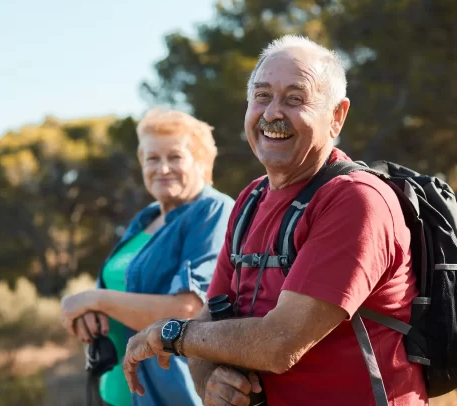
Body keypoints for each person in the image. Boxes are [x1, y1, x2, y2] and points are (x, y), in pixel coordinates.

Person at [122, 35, 428, 406]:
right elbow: (209, 319)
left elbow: (280, 343)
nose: (271, 114)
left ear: (336, 116)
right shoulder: (250, 199)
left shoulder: (356, 201)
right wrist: (210, 381)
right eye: (262, 96)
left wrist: (168, 335)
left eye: (295, 98)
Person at [60, 108, 234, 406]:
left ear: (201, 162)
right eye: (153, 158)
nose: (162, 168)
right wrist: (90, 315)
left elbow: (188, 310)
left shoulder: (212, 211)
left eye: (175, 156)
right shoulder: (146, 217)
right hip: (114, 393)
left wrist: (94, 299)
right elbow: (123, 291)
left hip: (174, 395)